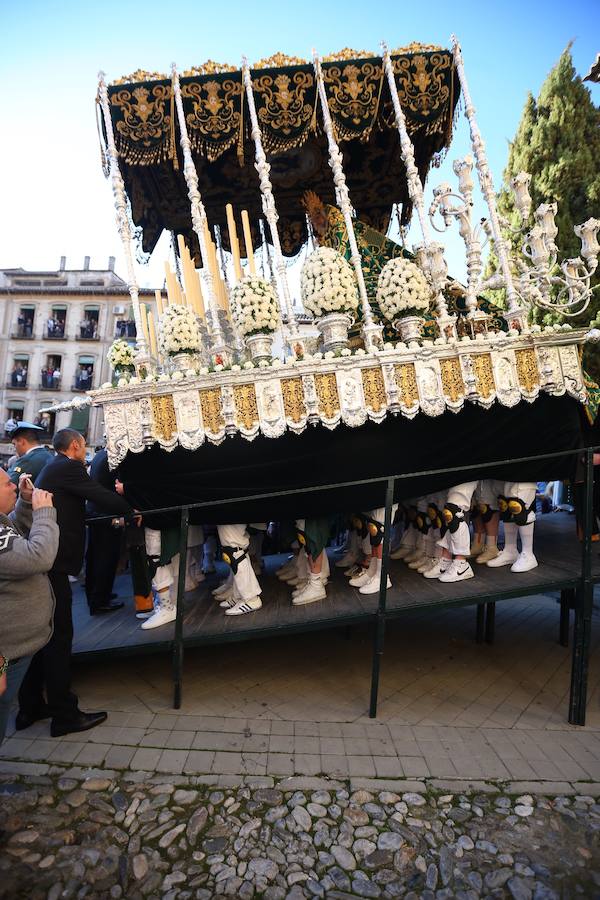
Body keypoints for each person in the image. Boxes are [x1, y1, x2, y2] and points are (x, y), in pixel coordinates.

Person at [18, 428, 134, 737]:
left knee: (46, 635)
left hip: (50, 561)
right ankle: (64, 714)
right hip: (54, 563)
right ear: (75, 446)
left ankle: (30, 706)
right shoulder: (68, 466)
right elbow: (99, 494)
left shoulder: (52, 466)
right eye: (83, 447)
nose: (84, 452)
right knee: (59, 636)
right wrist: (130, 509)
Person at [0, 471, 58, 745]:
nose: (13, 484)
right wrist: (44, 513)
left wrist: (23, 503)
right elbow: (39, 556)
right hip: (5, 655)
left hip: (16, 650)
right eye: (7, 483)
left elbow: (17, 539)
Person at [84, 448, 125, 615]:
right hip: (107, 515)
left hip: (97, 512)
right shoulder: (113, 457)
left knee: (95, 558)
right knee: (106, 560)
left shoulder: (100, 454)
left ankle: (97, 595)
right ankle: (100, 600)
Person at [7, 423, 54, 487]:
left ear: (22, 442)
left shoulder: (26, 460)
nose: (15, 449)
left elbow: (8, 484)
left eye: (14, 444)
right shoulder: (49, 456)